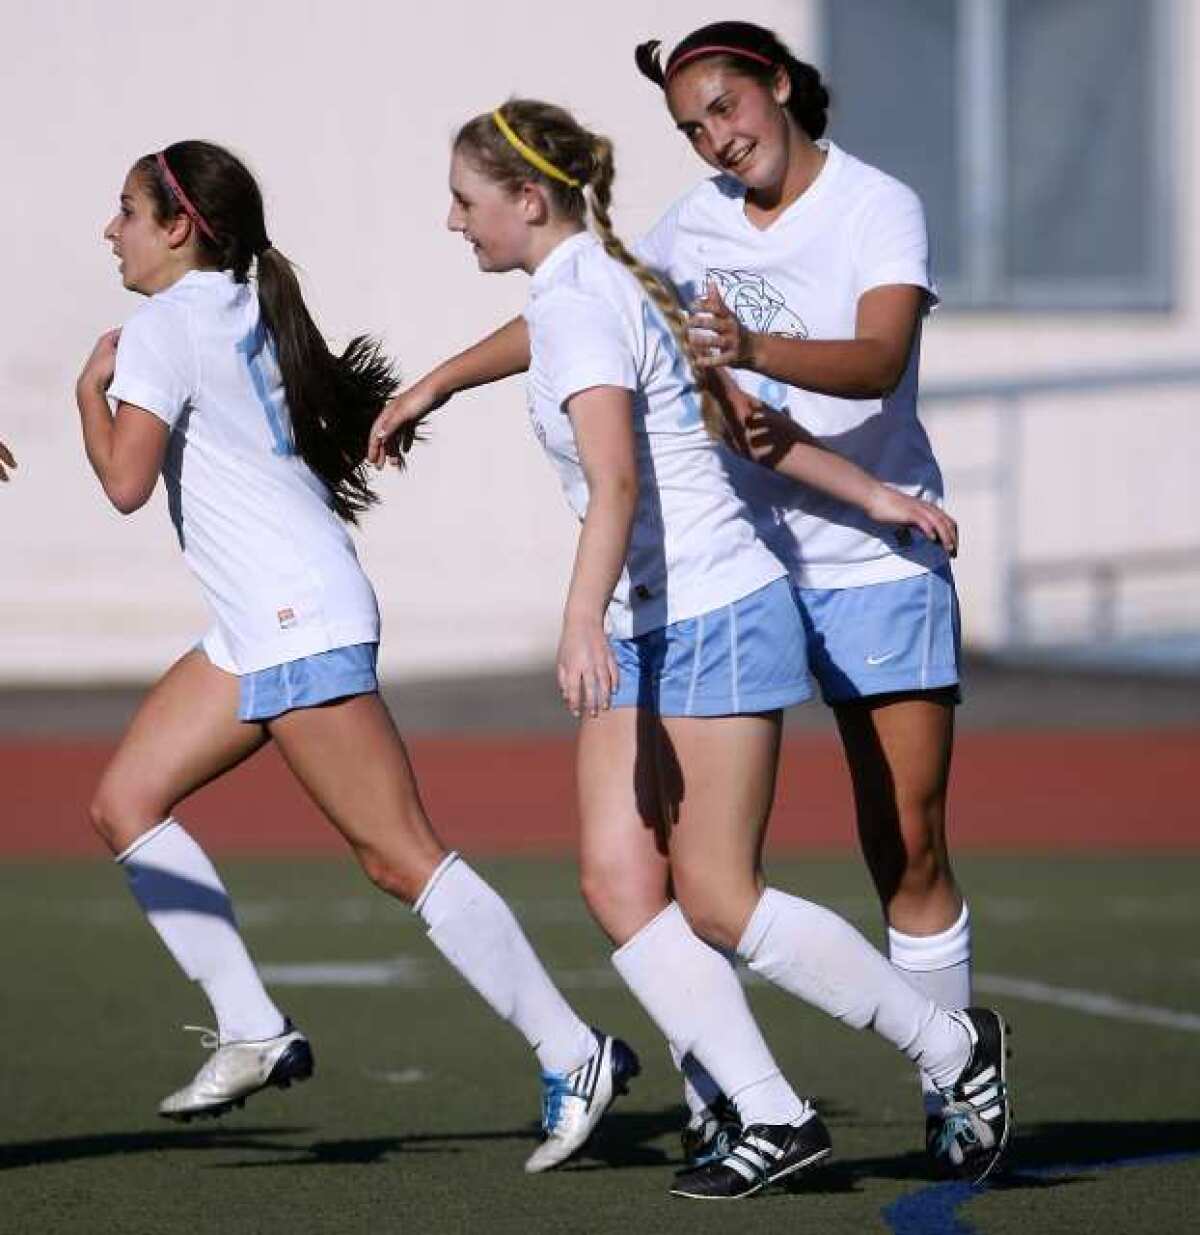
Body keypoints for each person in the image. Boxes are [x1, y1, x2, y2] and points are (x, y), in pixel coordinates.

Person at [367, 99, 1010, 1199]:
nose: (451, 223)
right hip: (650, 616)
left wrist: (574, 621)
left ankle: (953, 1049)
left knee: (718, 895)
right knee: (620, 881)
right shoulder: (612, 282)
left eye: (465, 203)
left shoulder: (589, 300)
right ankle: (771, 1110)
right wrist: (870, 490)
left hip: (710, 610)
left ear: (529, 200)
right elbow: (739, 423)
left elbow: (618, 479)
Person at [74, 139, 636, 1174]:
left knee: (399, 855)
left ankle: (575, 1049)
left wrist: (88, 390)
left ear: (179, 226)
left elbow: (122, 483)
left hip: (296, 616)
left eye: (124, 211)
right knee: (125, 801)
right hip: (265, 619)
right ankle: (250, 1023)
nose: (109, 230)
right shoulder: (241, 295)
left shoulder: (159, 327)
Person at [631, 21, 974, 1164]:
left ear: (779, 85)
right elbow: (588, 303)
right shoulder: (687, 225)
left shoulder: (879, 203)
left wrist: (755, 349)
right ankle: (732, 1096)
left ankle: (955, 1081)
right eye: (691, 129)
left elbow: (879, 358)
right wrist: (430, 381)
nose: (716, 141)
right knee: (702, 868)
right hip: (742, 566)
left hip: (875, 560)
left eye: (727, 109)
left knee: (906, 839)